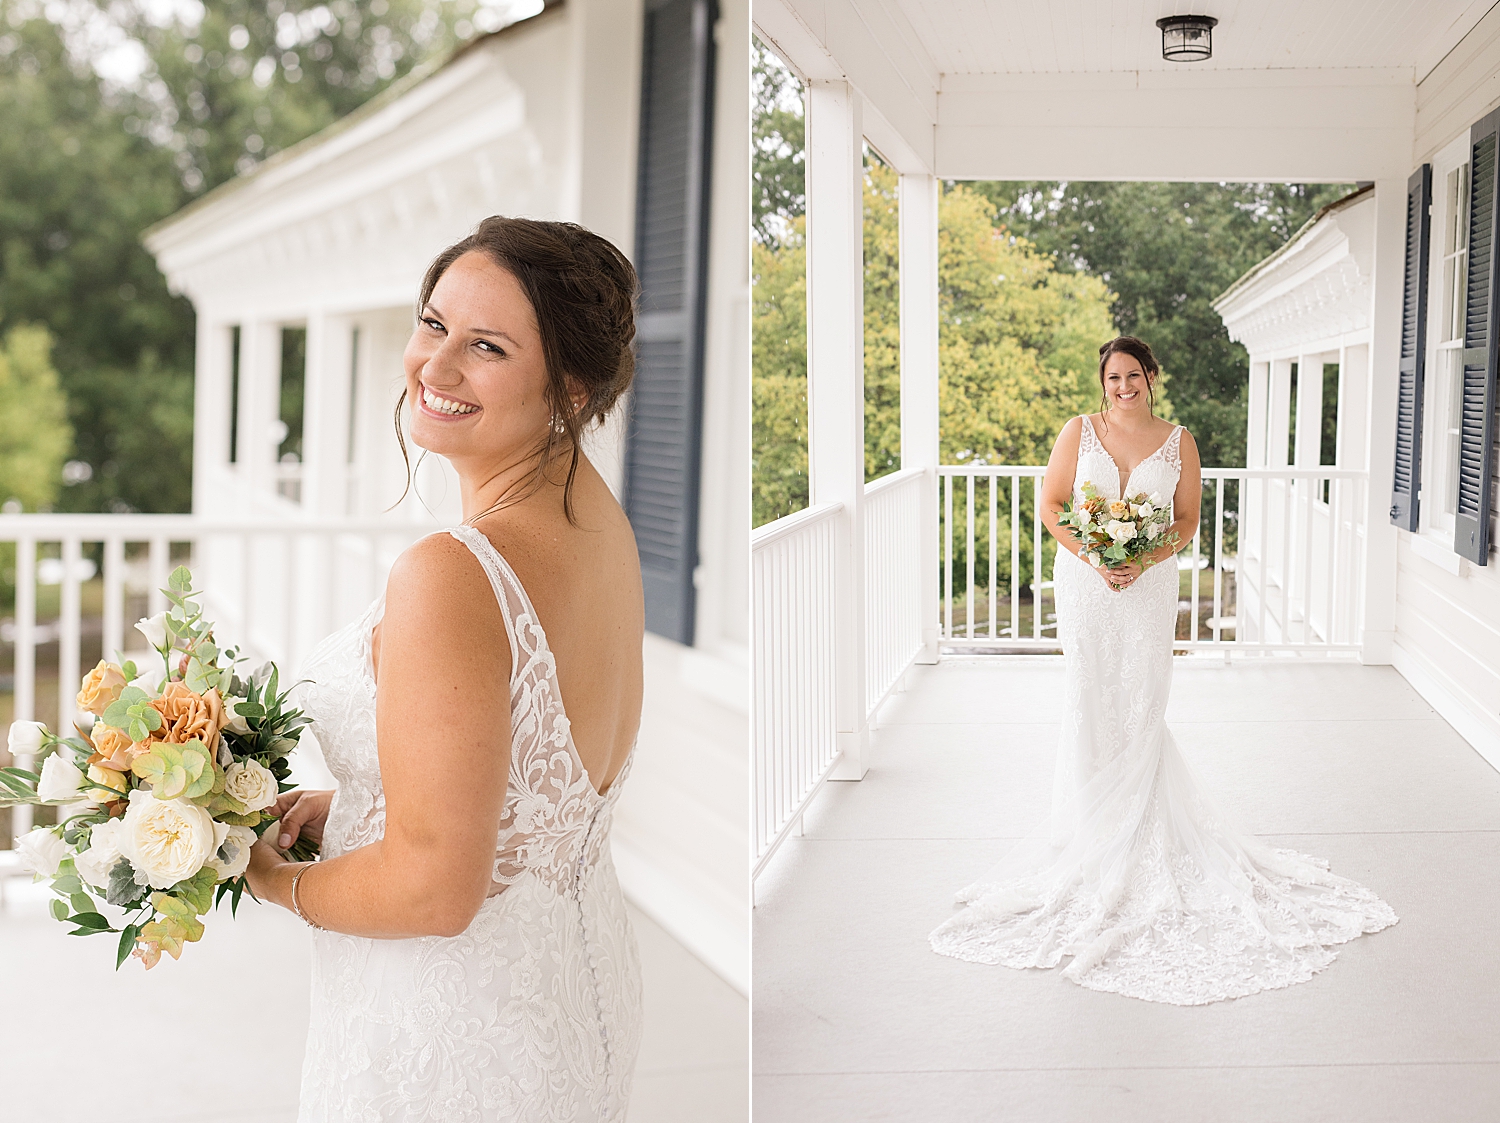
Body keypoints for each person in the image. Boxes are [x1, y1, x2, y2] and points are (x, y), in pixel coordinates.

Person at [245, 217, 646, 1118]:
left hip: (447, 1040)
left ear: (571, 389)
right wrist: (366, 807)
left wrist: (269, 877)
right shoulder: (599, 524)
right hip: (572, 999)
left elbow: (434, 888)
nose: (434, 366)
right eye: (433, 324)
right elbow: (537, 785)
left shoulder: (451, 573)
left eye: (487, 347)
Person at [929, 335, 1397, 1005]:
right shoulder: (1078, 431)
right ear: (1104, 382)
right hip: (1088, 585)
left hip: (1148, 589)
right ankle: (1090, 837)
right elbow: (1052, 507)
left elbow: (1186, 522)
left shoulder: (1180, 441)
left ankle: (1144, 835)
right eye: (1113, 377)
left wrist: (1143, 557)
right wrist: (1095, 553)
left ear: (1151, 376)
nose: (1123, 386)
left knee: (1142, 700)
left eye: (1133, 375)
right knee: (1090, 697)